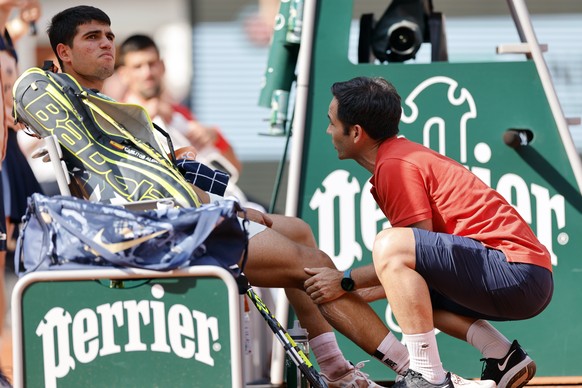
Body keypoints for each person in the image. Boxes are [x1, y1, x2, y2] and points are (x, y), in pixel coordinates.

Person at [42, 6, 424, 387]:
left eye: (109, 35)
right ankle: (415, 373)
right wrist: (230, 207)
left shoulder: (109, 111)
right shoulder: (73, 106)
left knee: (299, 231)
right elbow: (143, 187)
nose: (106, 43)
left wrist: (184, 167)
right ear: (64, 52)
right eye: (92, 37)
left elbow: (185, 173)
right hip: (171, 232)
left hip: (188, 218)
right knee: (316, 267)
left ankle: (338, 371)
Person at [315, 76, 553, 388]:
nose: (328, 131)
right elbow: (410, 271)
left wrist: (344, 280)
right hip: (527, 278)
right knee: (407, 292)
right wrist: (350, 292)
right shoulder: (396, 157)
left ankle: (427, 377)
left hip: (516, 272)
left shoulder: (395, 165)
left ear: (356, 132)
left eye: (332, 122)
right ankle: (504, 357)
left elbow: (408, 253)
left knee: (391, 245)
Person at [113, 33, 242, 176]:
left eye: (152, 64)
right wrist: (145, 114)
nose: (147, 73)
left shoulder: (179, 113)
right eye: (138, 67)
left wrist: (214, 136)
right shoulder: (114, 117)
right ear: (123, 74)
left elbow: (234, 168)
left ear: (162, 66)